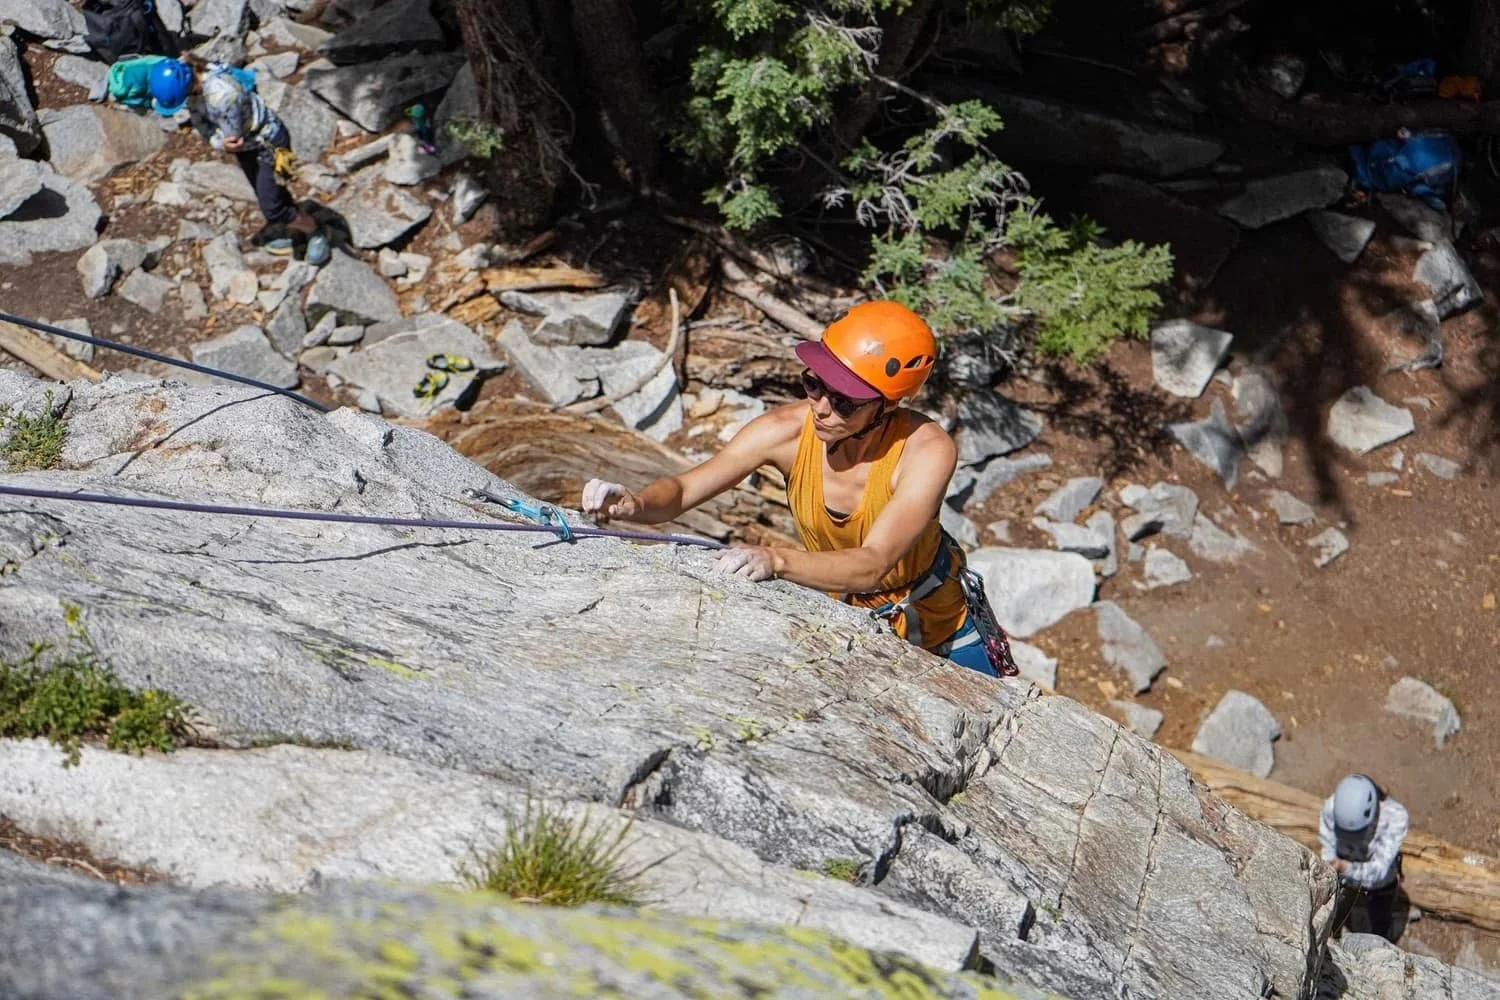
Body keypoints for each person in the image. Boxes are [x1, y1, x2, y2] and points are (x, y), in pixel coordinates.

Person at [581, 300, 1010, 676]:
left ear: (889, 405)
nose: (821, 408)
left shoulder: (925, 451)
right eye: (814, 384)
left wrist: (776, 559)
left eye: (844, 402)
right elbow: (681, 491)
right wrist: (635, 503)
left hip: (944, 625)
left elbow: (872, 564)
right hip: (850, 615)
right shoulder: (783, 432)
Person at [148, 59, 330, 265]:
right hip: (251, 147)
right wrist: (215, 138)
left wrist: (217, 142)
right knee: (272, 192)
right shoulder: (195, 88)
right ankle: (295, 227)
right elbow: (203, 125)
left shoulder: (221, 97)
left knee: (271, 206)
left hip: (266, 144)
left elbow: (231, 139)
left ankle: (315, 230)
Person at [1319, 773, 1409, 941]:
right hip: (1343, 874)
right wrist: (1330, 866)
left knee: (1380, 918)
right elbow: (1327, 844)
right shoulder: (1331, 808)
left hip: (1380, 883)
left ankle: (1381, 939)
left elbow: (1379, 870)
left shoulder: (1395, 817)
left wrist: (1345, 868)